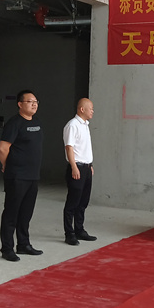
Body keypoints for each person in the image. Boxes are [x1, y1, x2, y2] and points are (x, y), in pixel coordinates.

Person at [0, 90, 44, 262]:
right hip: (17, 176)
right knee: (12, 212)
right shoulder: (14, 123)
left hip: (33, 176)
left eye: (36, 101)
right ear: (20, 104)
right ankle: (7, 248)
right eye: (30, 101)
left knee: (26, 212)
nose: (34, 104)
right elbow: (3, 148)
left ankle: (23, 244)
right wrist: (7, 165)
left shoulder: (37, 122)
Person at [63, 98, 97, 246]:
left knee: (83, 202)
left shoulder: (85, 125)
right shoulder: (72, 125)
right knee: (73, 202)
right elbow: (69, 147)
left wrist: (90, 165)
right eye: (91, 108)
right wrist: (74, 167)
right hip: (76, 167)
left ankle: (79, 230)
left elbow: (83, 148)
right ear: (82, 109)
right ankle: (69, 233)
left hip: (86, 168)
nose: (93, 111)